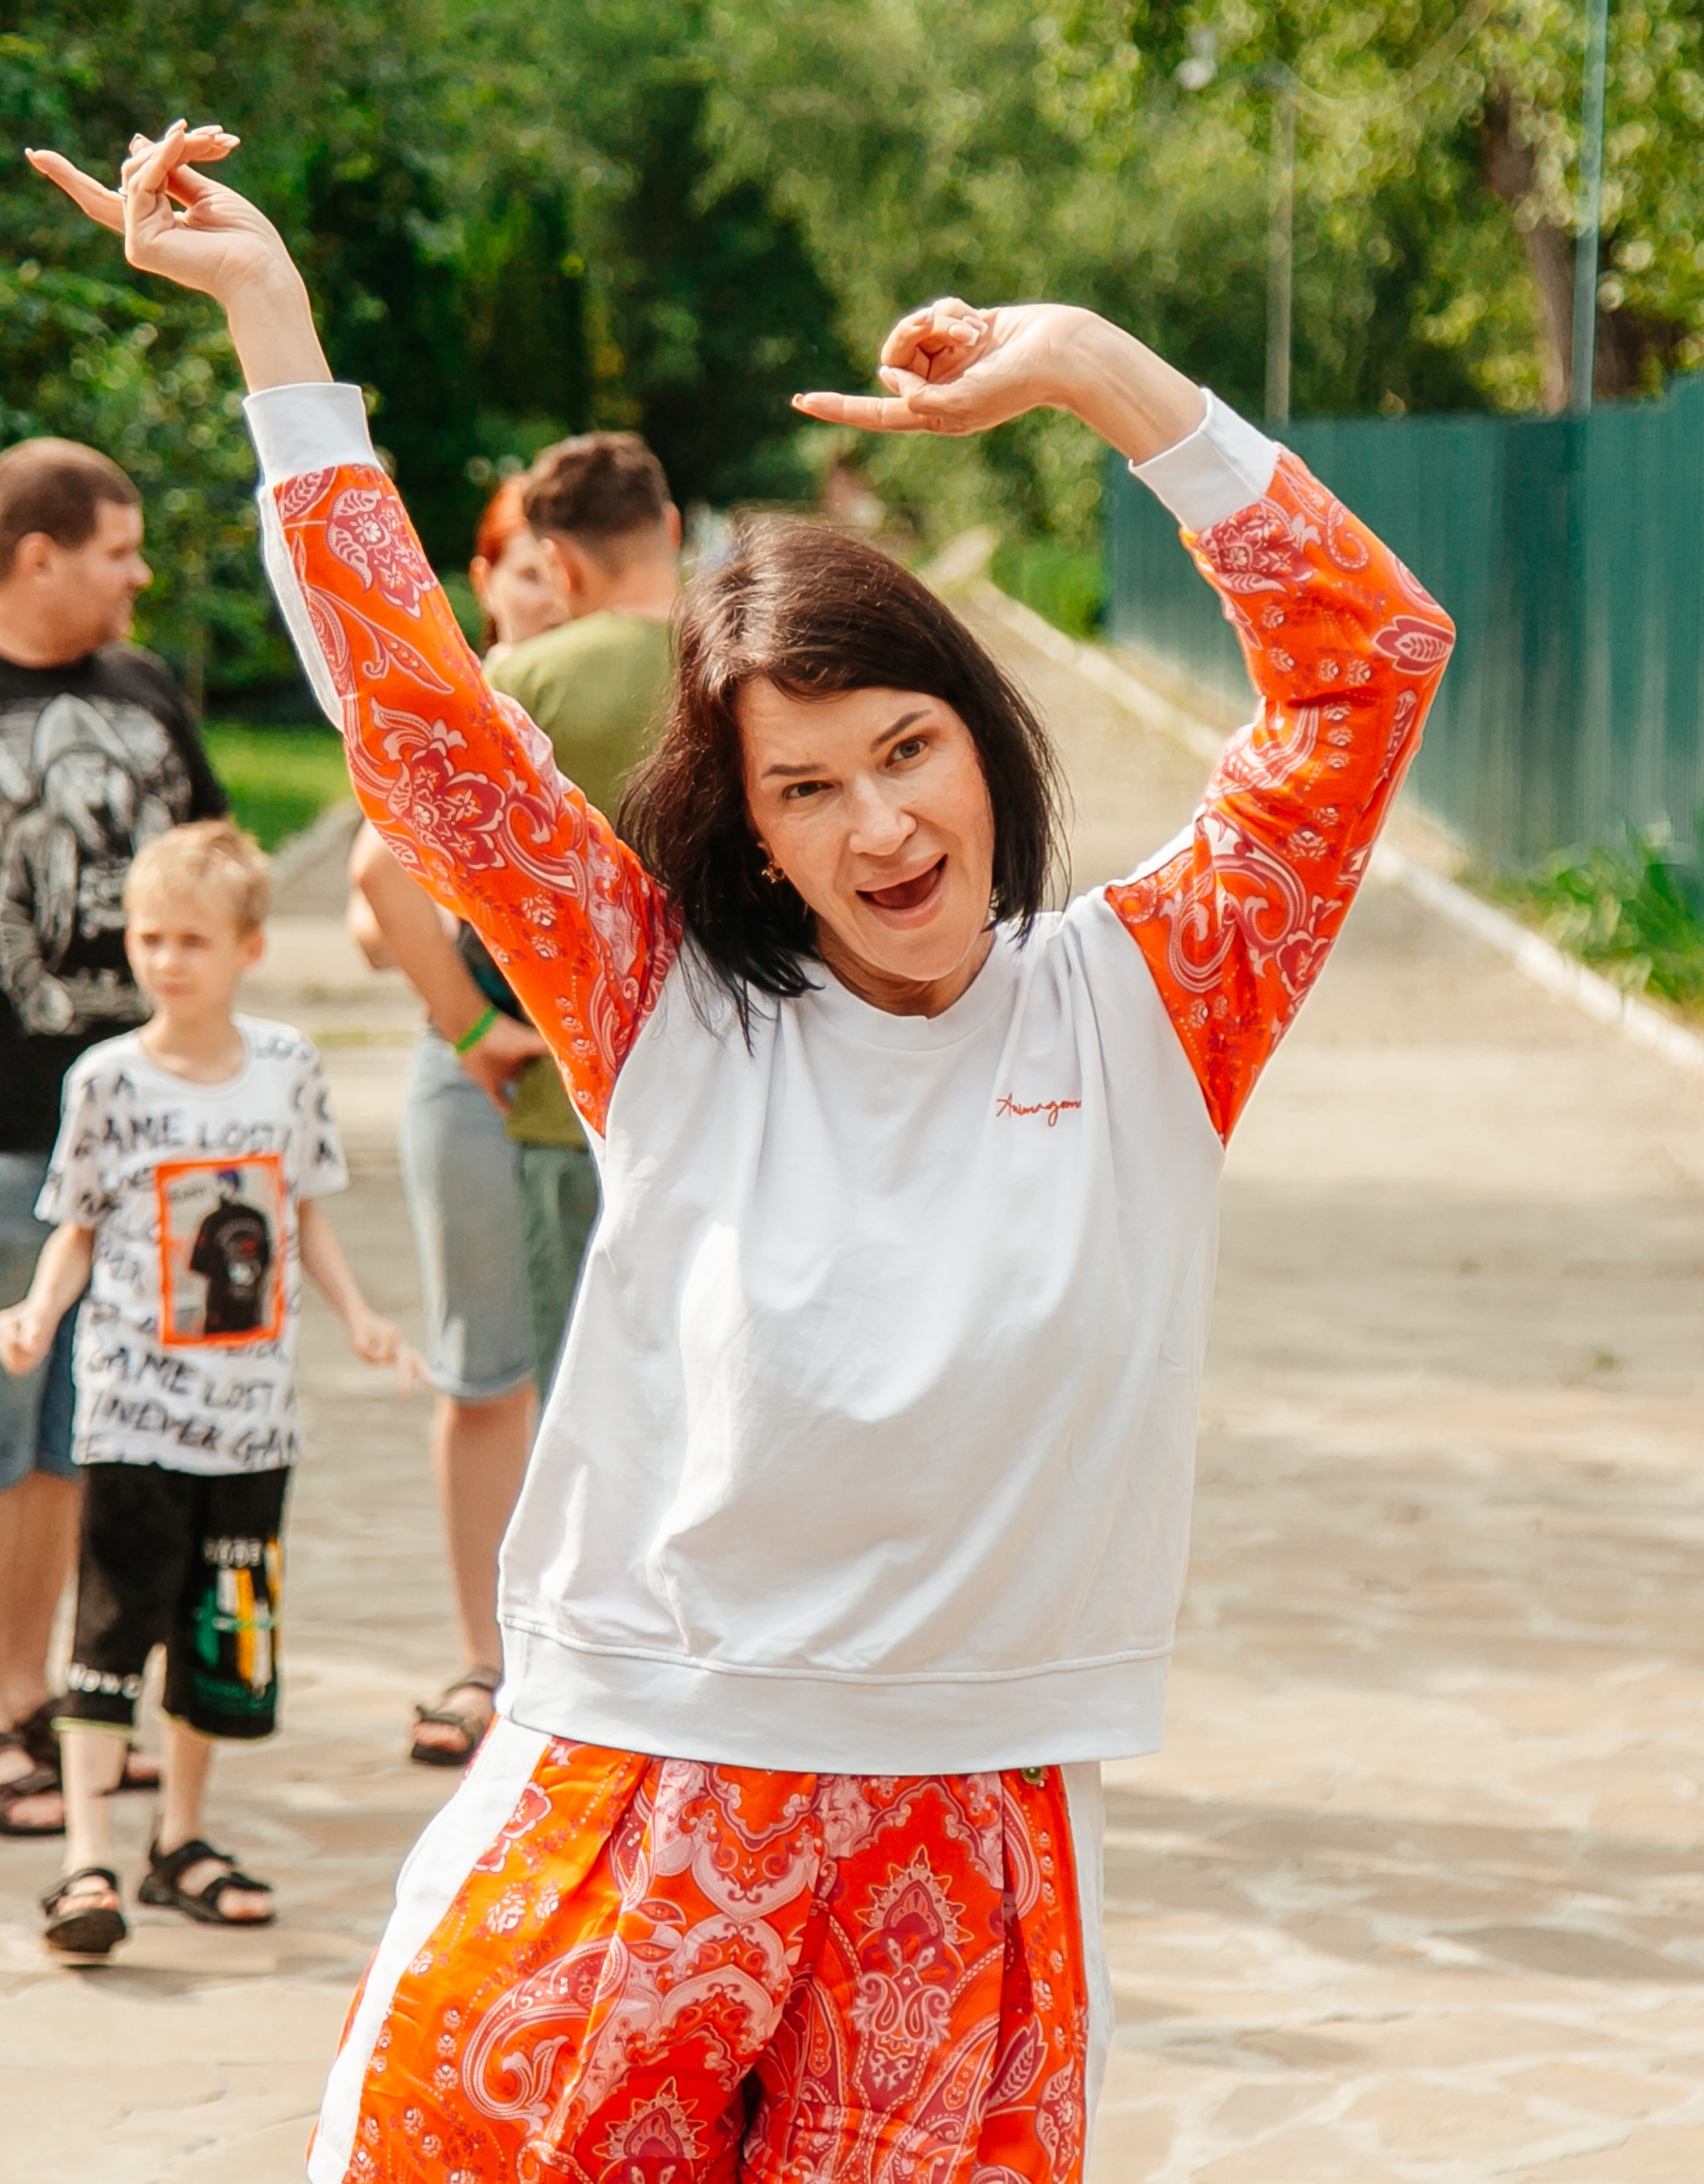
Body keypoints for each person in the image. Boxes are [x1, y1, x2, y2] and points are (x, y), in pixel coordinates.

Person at [31, 121, 1452, 2183]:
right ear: (754, 834)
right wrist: (272, 319)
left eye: (908, 748)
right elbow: (422, 730)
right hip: (635, 1793)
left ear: (984, 743)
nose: (881, 826)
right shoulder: (665, 1009)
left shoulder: (1152, 1002)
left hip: (968, 1829)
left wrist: (1091, 369)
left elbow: (1361, 673)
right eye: (806, 788)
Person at [0, 818, 405, 1958]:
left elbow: (302, 1213)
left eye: (191, 940)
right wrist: (38, 1311)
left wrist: (361, 1315)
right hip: (133, 1413)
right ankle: (86, 1861)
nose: (166, 961)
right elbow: (77, 1228)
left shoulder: (286, 1071)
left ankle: (180, 1841)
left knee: (219, 1640)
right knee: (110, 1628)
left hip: (251, 1421)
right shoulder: (107, 1081)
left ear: (249, 948)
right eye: (149, 938)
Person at [349, 457, 674, 1767]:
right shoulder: (744, 664)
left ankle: (510, 1667)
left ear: (570, 563)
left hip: (527, 1078)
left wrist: (470, 1023)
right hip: (649, 1085)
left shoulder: (524, 684)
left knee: (506, 1374)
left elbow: (379, 876)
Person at [0, 389, 229, 1840]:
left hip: (145, 1141)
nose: (140, 575)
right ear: (37, 557)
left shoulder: (145, 691)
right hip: (7, 1133)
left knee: (94, 1434)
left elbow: (215, 865)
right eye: (118, 550)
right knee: (7, 1426)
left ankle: (51, 1700)